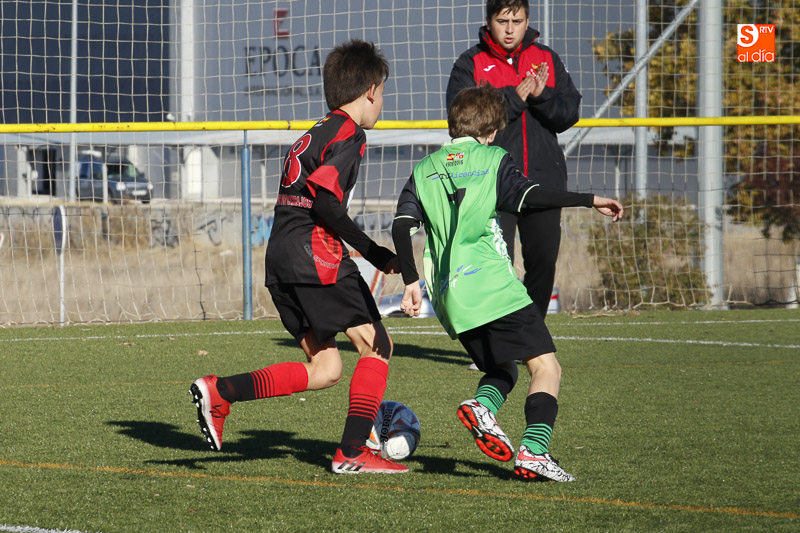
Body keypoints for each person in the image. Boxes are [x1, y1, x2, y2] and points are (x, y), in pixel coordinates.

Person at [190, 40, 408, 475]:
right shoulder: (350, 133)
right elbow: (326, 202)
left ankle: (221, 391)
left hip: (281, 257)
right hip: (315, 255)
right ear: (370, 90)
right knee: (378, 345)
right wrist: (375, 251)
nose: (382, 102)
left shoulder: (318, 130)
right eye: (383, 93)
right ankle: (352, 453)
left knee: (326, 368)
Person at [392, 85, 622, 481]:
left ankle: (483, 406)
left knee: (504, 366)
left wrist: (411, 282)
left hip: (450, 296)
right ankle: (534, 451)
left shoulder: (424, 168)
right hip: (492, 286)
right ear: (494, 129)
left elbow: (400, 228)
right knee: (547, 367)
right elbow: (531, 196)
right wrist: (589, 199)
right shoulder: (494, 159)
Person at [446, 0, 582, 319]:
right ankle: (497, 335)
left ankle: (531, 333)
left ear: (527, 21)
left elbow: (569, 113)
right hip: (490, 183)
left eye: (517, 21)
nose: (510, 29)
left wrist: (541, 96)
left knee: (543, 262)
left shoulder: (547, 58)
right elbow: (460, 119)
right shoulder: (470, 62)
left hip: (542, 181)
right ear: (488, 21)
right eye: (502, 21)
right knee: (494, 263)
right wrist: (513, 97)